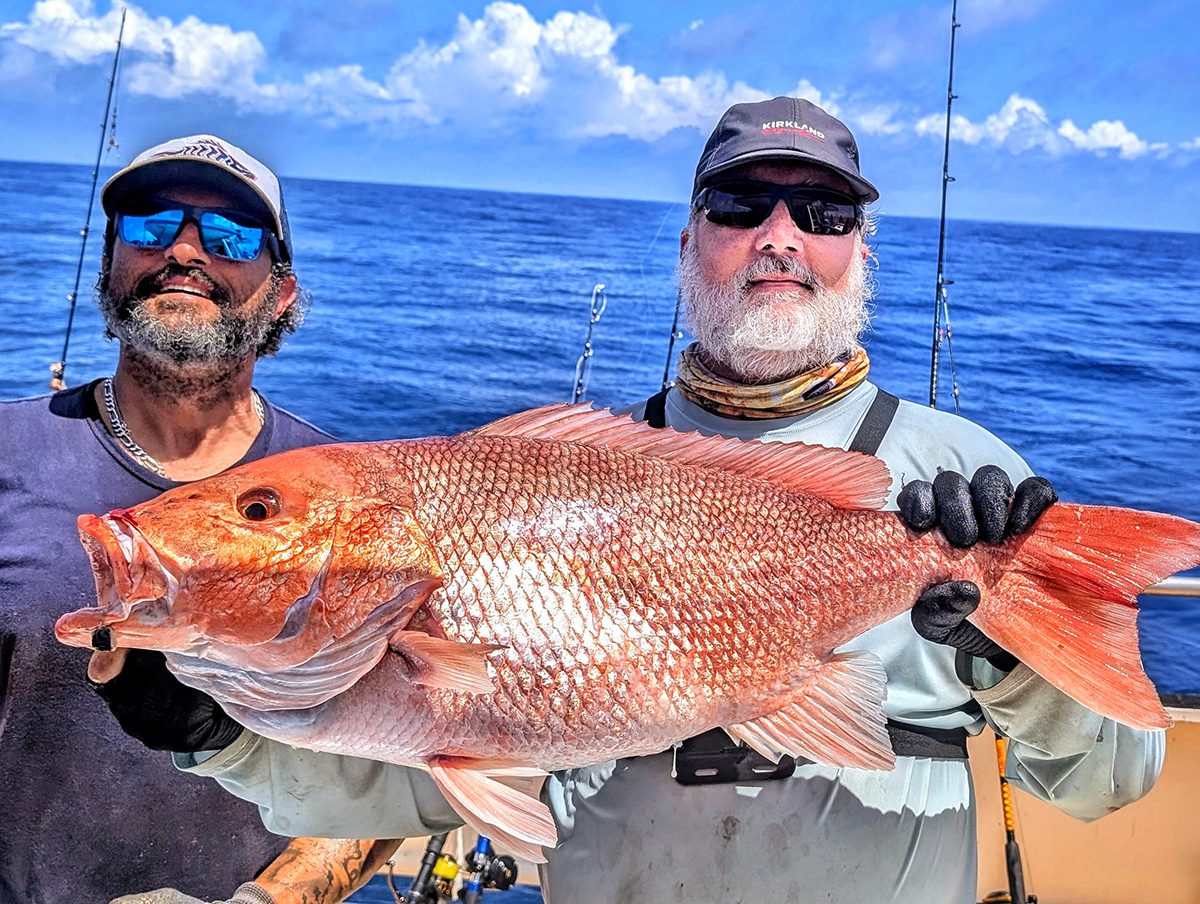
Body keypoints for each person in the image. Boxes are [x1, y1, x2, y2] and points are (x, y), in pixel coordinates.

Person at [90, 103, 1165, 904]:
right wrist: (221, 738)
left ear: (859, 251)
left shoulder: (961, 476)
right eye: (741, 204)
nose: (780, 234)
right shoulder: (602, 456)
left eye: (823, 209)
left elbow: (1113, 780)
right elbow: (408, 784)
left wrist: (1011, 659)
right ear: (690, 243)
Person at [0, 134, 401, 904]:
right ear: (112, 266)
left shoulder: (355, 499)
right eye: (150, 225)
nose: (185, 250)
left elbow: (398, 756)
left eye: (230, 235)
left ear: (280, 293)